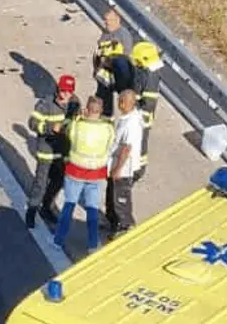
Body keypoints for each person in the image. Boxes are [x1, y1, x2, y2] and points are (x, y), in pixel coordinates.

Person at [53, 95, 115, 253]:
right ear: (101, 111)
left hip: (75, 171)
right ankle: (93, 244)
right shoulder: (108, 128)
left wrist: (78, 116)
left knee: (69, 206)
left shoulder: (77, 125)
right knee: (92, 209)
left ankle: (58, 240)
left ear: (87, 109)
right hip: (95, 174)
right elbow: (110, 145)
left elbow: (67, 133)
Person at [24, 74, 81, 229]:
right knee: (40, 183)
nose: (66, 95)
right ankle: (31, 211)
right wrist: (50, 128)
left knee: (58, 181)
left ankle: (46, 207)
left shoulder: (75, 104)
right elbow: (32, 123)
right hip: (47, 151)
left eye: (69, 91)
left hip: (62, 151)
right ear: (58, 89)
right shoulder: (46, 104)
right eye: (63, 91)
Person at [106, 89, 144, 236]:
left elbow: (126, 148)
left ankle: (126, 226)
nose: (119, 104)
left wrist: (117, 169)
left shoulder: (131, 123)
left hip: (124, 168)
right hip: (117, 165)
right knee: (112, 194)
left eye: (121, 101)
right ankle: (113, 222)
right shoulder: (128, 118)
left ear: (124, 103)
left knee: (120, 200)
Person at [130, 40, 163, 182]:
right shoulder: (147, 70)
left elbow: (148, 102)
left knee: (140, 142)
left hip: (142, 115)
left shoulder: (150, 76)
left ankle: (138, 171)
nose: (136, 63)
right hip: (139, 112)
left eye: (137, 61)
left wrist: (138, 112)